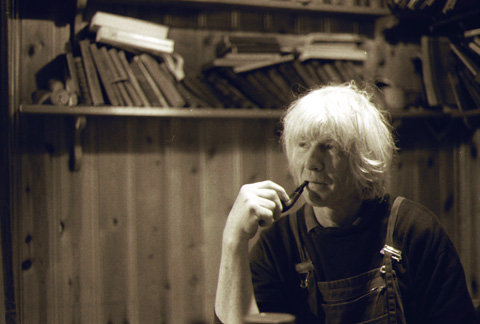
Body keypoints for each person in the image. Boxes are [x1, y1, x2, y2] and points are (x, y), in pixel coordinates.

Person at [214, 83, 478, 324]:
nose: (310, 162)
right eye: (302, 145)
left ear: (362, 159)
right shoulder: (278, 244)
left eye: (328, 147)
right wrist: (233, 240)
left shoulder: (414, 230)